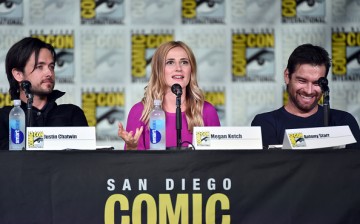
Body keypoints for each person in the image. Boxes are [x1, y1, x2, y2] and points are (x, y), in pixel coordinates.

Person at [251, 43, 360, 149]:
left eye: (317, 83)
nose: (309, 91)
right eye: (302, 81)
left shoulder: (344, 122)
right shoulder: (265, 123)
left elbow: (353, 166)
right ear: (287, 76)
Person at [118, 41, 221, 150]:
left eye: (184, 62)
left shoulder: (207, 111)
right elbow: (133, 165)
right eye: (170, 62)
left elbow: (218, 162)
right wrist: (131, 148)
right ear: (159, 70)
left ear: (191, 70)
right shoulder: (139, 112)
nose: (178, 68)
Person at [0, 37, 88, 150]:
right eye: (39, 67)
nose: (49, 73)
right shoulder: (4, 118)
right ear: (18, 74)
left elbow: (86, 162)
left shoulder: (72, 114)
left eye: (51, 66)